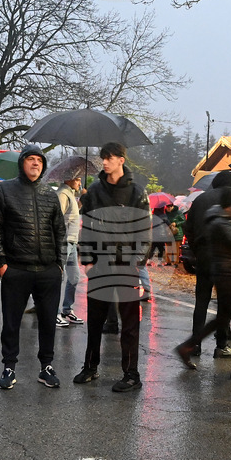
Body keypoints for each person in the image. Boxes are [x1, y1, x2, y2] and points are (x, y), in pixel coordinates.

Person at [0, 144, 66, 390]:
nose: (35, 164)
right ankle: (9, 367)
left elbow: (59, 230)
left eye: (39, 161)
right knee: (11, 321)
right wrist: (1, 263)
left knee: (48, 321)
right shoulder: (5, 190)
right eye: (30, 159)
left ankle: (46, 367)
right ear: (22, 163)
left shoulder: (49, 194)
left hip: (48, 271)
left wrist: (60, 264)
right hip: (16, 269)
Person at [73, 143, 151, 392]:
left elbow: (145, 233)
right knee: (95, 319)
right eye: (102, 158)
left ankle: (131, 374)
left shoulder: (137, 193)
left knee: (130, 323)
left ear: (121, 160)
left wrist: (136, 264)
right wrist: (87, 260)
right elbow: (86, 227)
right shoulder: (94, 191)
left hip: (127, 265)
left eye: (109, 158)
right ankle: (90, 367)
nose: (104, 162)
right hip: (100, 264)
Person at [175, 189, 231, 383]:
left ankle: (187, 347)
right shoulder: (220, 223)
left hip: (230, 274)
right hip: (227, 276)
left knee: (222, 319)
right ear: (229, 206)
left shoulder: (225, 219)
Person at [183, 170, 231, 358]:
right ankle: (221, 345)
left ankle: (194, 345)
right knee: (224, 303)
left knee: (201, 301)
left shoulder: (200, 200)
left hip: (204, 257)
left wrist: (197, 250)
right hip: (225, 260)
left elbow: (187, 227)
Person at [57, 176, 84, 327]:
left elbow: (71, 214)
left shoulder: (70, 194)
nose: (80, 182)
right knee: (58, 277)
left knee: (74, 277)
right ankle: (53, 312)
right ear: (69, 179)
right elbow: (58, 218)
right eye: (78, 179)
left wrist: (81, 201)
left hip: (72, 243)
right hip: (64, 242)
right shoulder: (62, 194)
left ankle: (67, 309)